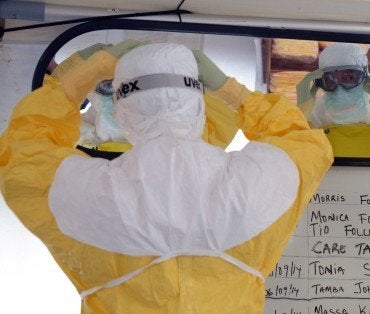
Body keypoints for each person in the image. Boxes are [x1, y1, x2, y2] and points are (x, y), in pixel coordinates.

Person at [0, 41, 333, 312]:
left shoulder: (87, 192)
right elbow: (302, 142)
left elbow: (23, 150)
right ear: (201, 107)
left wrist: (80, 76)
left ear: (121, 114)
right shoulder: (254, 183)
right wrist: (233, 91)